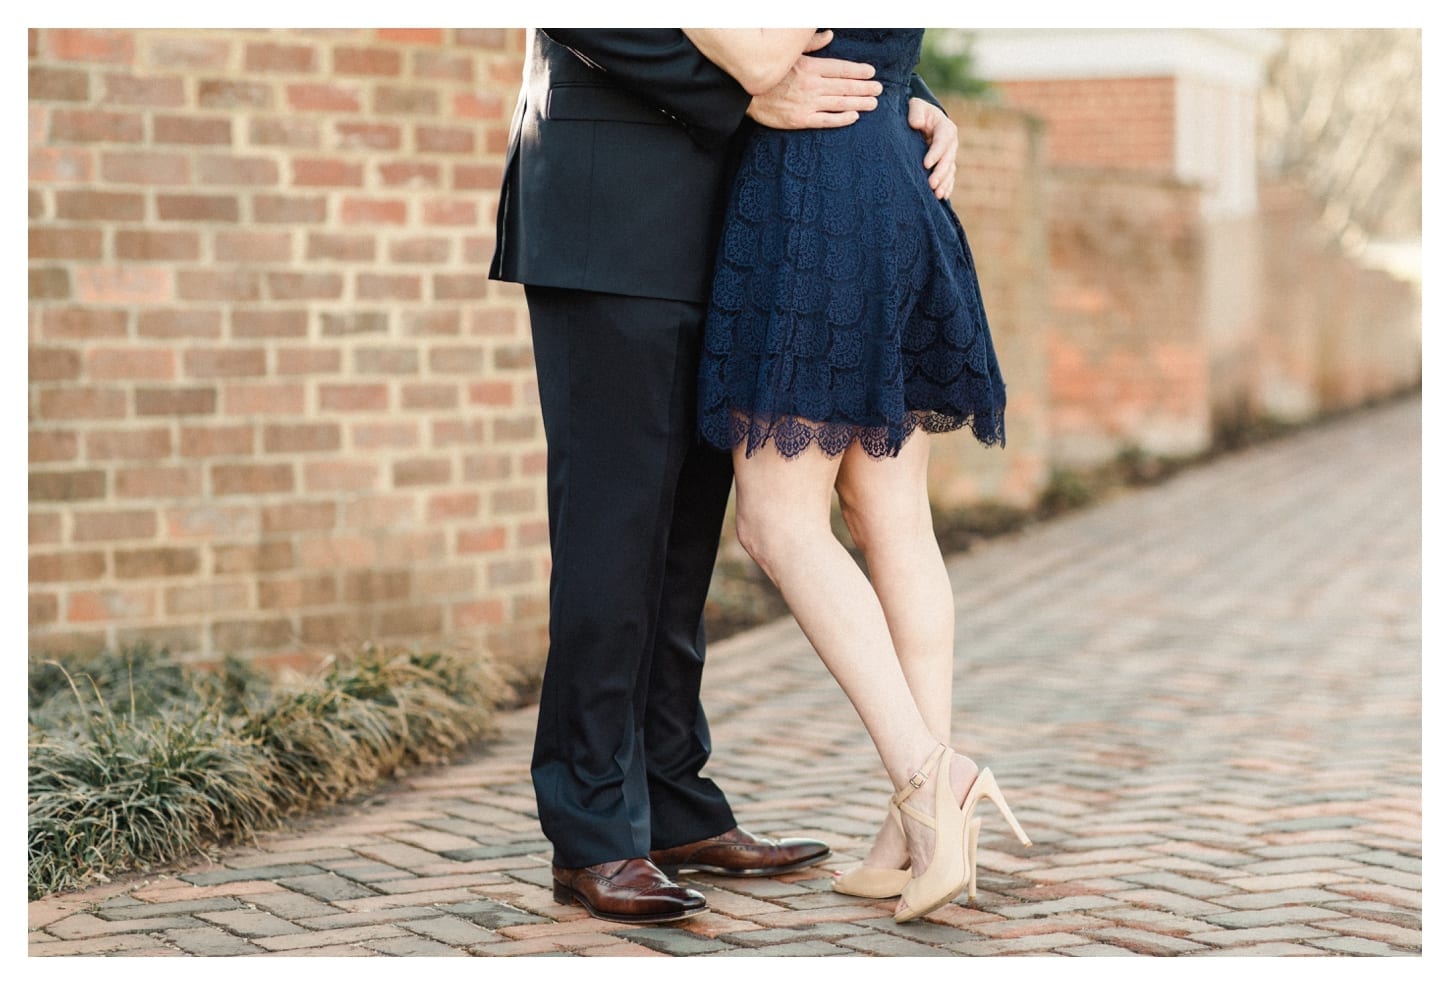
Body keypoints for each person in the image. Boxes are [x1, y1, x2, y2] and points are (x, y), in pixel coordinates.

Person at [489, 28, 963, 925]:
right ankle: (591, 828)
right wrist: (737, 95)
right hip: (612, 213)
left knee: (683, 541)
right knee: (611, 523)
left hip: (739, 232)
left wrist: (913, 93)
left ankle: (674, 802)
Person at [685, 27, 1030, 923]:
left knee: (777, 519)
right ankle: (907, 829)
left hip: (818, 191)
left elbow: (764, 52)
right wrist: (928, 100)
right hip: (891, 171)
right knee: (890, 511)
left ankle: (930, 776)